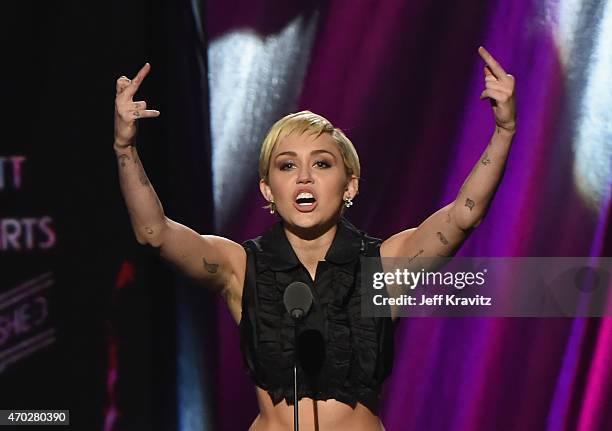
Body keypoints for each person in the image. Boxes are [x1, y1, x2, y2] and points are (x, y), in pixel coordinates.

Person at [113, 46, 516, 431]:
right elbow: (154, 233)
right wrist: (125, 147)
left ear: (350, 185)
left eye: (321, 163)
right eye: (287, 166)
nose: (304, 177)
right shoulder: (240, 266)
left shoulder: (384, 265)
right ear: (269, 189)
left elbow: (464, 214)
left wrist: (503, 130)